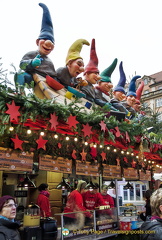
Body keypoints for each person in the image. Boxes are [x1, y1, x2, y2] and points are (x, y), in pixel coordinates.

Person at [15, 3, 59, 99]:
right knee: (20, 74)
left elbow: (54, 76)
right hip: (32, 79)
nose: (48, 44)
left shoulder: (50, 62)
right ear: (37, 42)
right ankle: (20, 95)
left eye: (52, 42)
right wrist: (31, 63)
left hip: (45, 85)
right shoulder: (31, 54)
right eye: (45, 39)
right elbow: (22, 65)